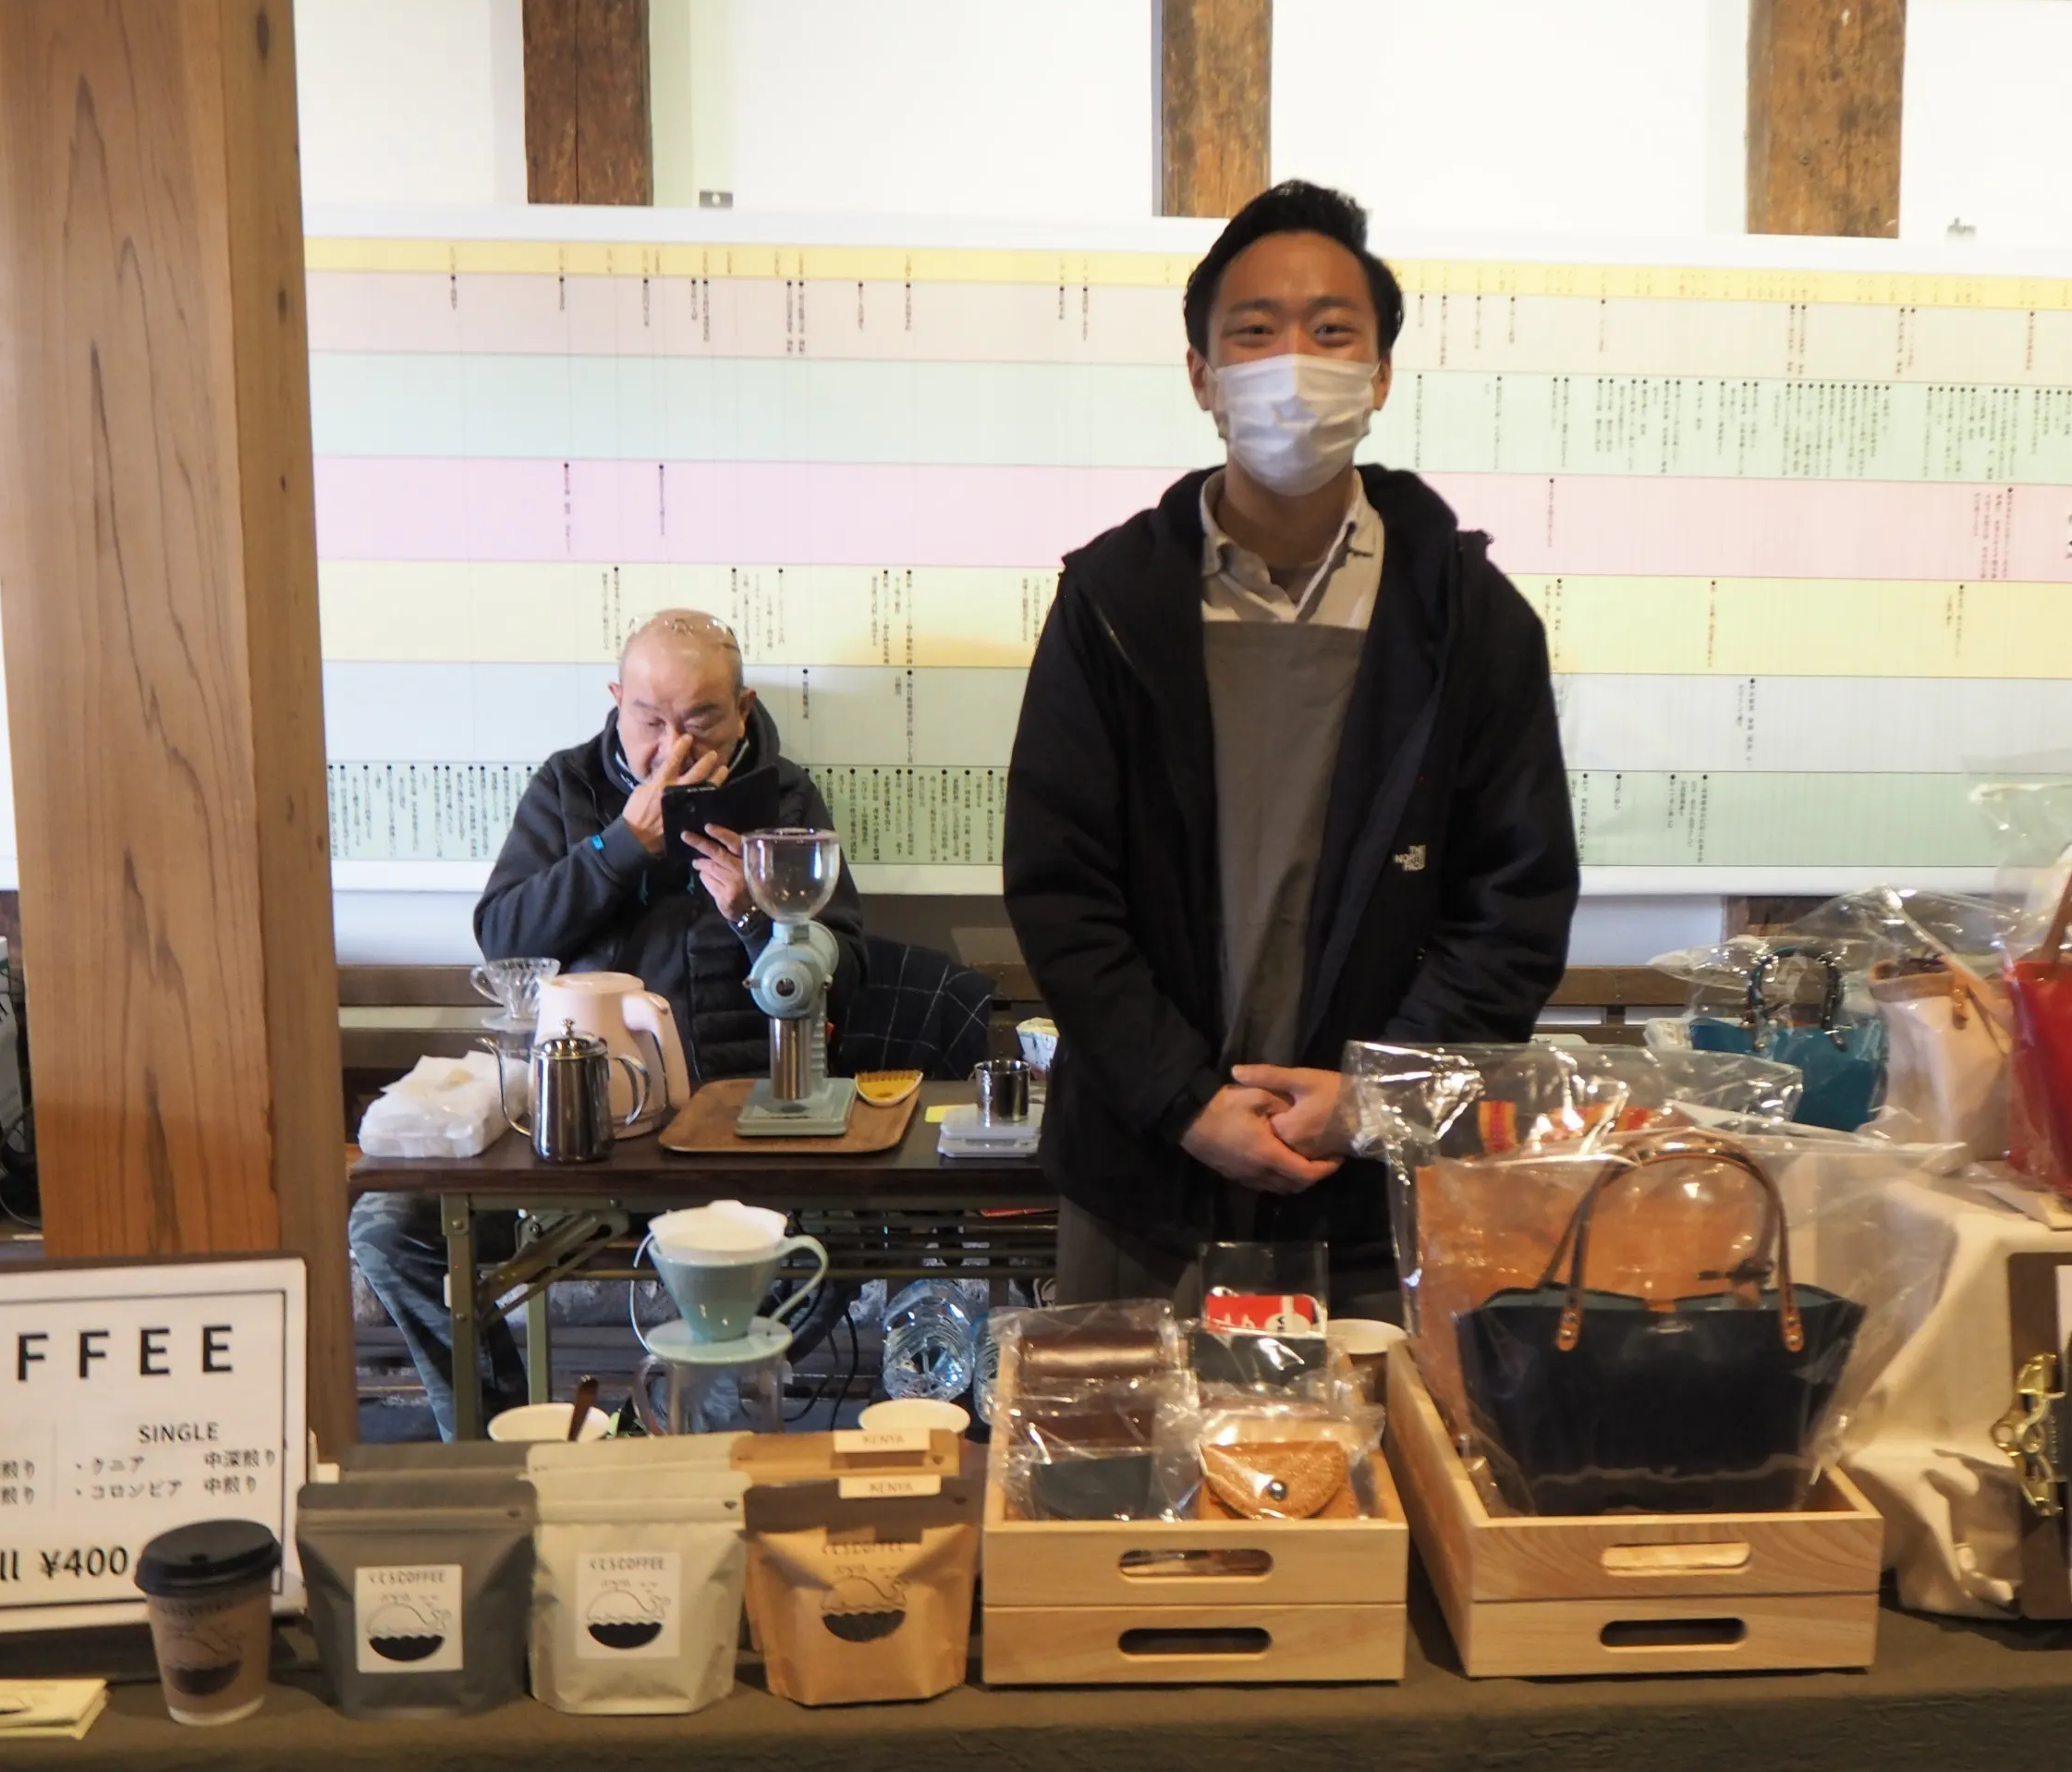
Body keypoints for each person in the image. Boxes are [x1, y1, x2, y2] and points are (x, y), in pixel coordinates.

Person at [1003, 180, 1578, 1313]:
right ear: (1202, 375)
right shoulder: (1111, 604)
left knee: (1374, 1432)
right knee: (1123, 1428)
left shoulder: (1471, 619)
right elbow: (1061, 890)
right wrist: (1184, 1101)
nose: (1294, 365)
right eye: (1256, 332)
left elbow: (1514, 904)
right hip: (1142, 1180)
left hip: (1374, 1189)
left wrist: (1375, 1096)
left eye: (1332, 331)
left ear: (1381, 374)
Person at [352, 608, 867, 1435]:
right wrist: (621, 847)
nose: (673, 747)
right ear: (616, 702)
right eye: (650, 720)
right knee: (389, 1228)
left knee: (842, 1237)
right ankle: (499, 1439)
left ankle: (652, 1431)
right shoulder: (568, 787)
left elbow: (847, 975)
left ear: (743, 710)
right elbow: (505, 936)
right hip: (580, 1127)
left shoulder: (784, 798)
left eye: (701, 720)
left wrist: (756, 918)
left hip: (736, 1129)